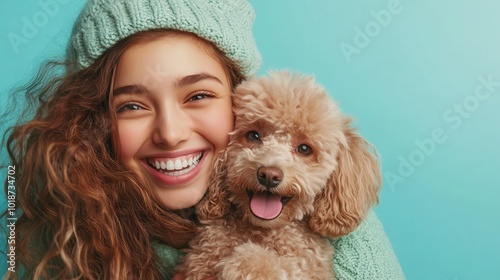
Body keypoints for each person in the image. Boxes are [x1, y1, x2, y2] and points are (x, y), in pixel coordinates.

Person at [2, 0, 405, 279]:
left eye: (197, 96)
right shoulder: (51, 242)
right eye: (131, 106)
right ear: (93, 122)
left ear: (239, 96)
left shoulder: (345, 235)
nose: (171, 133)